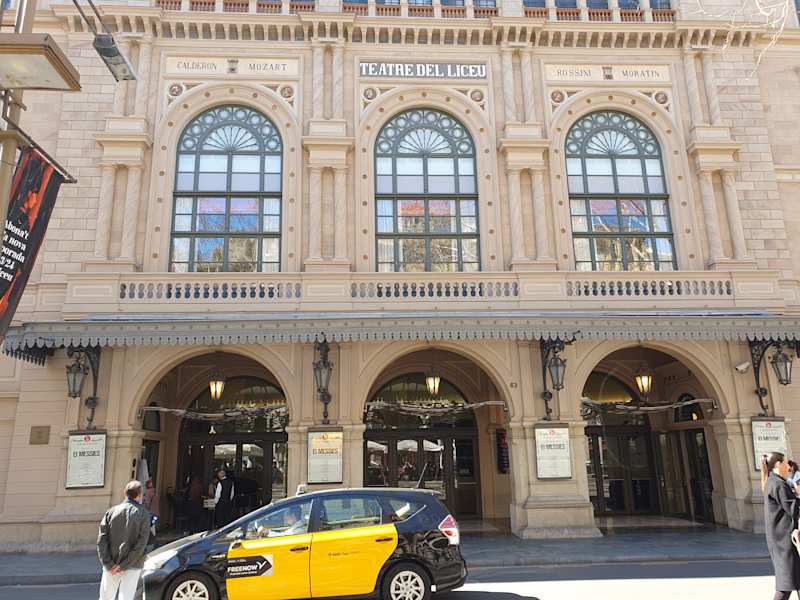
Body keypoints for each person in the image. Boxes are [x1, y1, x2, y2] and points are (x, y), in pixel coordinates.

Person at [97, 480, 151, 600]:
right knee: (126, 597)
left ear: (125, 493)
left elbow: (101, 540)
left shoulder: (111, 512)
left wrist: (108, 563)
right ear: (139, 495)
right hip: (133, 564)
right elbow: (141, 544)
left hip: (111, 564)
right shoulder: (143, 514)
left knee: (106, 597)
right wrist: (124, 565)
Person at [762, 452, 800, 600]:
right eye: (785, 463)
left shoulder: (773, 482)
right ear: (778, 464)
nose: (789, 467)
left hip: (782, 540)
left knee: (792, 581)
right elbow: (793, 509)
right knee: (786, 586)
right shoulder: (778, 484)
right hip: (784, 542)